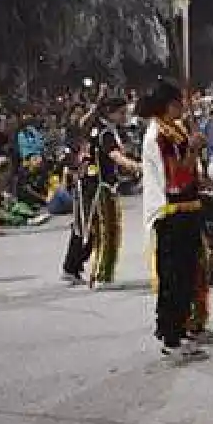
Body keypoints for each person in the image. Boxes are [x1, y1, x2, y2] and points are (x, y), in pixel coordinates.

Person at [140, 81, 213, 361]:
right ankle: (170, 337)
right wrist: (194, 150)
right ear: (167, 105)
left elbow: (190, 171)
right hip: (171, 213)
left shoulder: (177, 128)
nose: (183, 108)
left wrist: (201, 175)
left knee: (190, 274)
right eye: (178, 103)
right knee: (173, 277)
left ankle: (185, 327)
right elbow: (175, 180)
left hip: (188, 209)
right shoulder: (158, 135)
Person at [62, 98, 141, 288]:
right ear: (110, 113)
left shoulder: (98, 128)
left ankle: (73, 267)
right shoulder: (105, 133)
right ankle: (99, 275)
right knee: (105, 230)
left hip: (92, 184)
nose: (124, 116)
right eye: (121, 113)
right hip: (98, 187)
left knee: (88, 229)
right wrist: (139, 166)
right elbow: (115, 156)